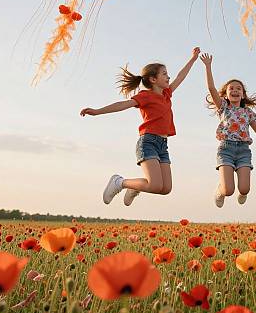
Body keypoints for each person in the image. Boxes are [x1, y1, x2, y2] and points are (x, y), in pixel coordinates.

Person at [80, 47, 200, 206]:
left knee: (166, 189)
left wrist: (193, 59)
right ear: (153, 79)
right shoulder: (145, 96)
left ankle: (136, 187)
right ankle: (120, 182)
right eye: (164, 73)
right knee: (155, 185)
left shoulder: (166, 94)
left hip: (163, 145)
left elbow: (180, 76)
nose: (168, 76)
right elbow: (122, 105)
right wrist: (97, 111)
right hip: (148, 142)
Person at [200, 52, 256, 208]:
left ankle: (242, 192)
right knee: (228, 191)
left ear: (243, 94)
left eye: (238, 88)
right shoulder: (223, 108)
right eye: (231, 88)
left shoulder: (248, 113)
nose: (235, 90)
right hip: (226, 149)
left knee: (244, 189)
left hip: (243, 151)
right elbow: (211, 88)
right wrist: (208, 66)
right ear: (225, 94)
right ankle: (219, 190)